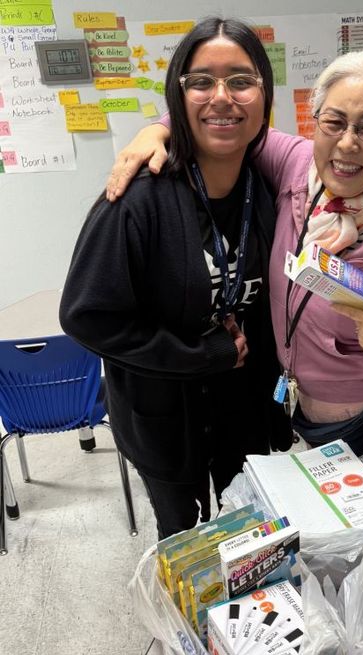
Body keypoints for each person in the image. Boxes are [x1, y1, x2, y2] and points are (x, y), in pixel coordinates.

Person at [106, 47, 363, 512]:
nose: (348, 143)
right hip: (310, 417)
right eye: (334, 122)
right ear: (315, 123)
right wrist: (156, 129)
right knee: (348, 548)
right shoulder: (299, 170)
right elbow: (230, 123)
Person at [60, 18, 292, 539]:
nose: (222, 97)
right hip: (164, 415)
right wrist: (197, 355)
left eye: (241, 80)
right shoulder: (139, 200)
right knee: (183, 543)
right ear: (178, 95)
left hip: (246, 408)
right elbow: (86, 316)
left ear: (264, 95)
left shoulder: (273, 190)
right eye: (202, 82)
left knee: (252, 535)